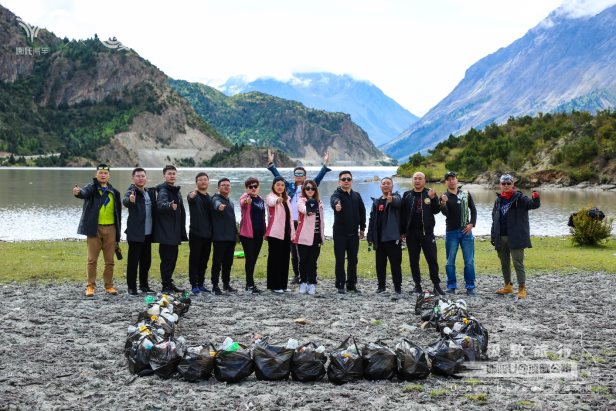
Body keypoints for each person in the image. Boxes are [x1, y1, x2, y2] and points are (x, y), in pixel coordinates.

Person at [267, 149, 331, 284]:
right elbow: (278, 178)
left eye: (301, 174)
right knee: (294, 252)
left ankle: (310, 275)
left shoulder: (308, 188)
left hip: (305, 222)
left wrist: (325, 165)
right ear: (294, 175)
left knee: (310, 250)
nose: (299, 176)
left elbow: (318, 179)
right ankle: (298, 275)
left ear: (305, 175)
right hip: (292, 222)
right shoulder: (288, 186)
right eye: (296, 174)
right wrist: (271, 164)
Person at [72, 163, 122, 297]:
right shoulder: (91, 188)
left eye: (105, 173)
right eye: (101, 173)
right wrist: (78, 193)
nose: (103, 175)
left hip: (111, 229)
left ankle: (109, 286)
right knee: (92, 260)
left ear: (109, 175)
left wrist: (118, 233)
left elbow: (118, 214)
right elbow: (83, 193)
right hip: (94, 229)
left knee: (110, 261)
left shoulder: (114, 192)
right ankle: (90, 287)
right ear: (96, 174)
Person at [491, 174, 540, 299]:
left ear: (512, 185)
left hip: (516, 237)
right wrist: (493, 236)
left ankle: (522, 288)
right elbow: (494, 219)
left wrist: (536, 198)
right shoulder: (498, 200)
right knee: (504, 263)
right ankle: (508, 286)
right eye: (504, 183)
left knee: (518, 263)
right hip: (500, 237)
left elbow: (533, 205)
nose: (506, 185)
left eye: (508, 183)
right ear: (500, 185)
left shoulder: (520, 198)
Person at [401, 171, 444, 295]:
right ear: (412, 180)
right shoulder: (407, 195)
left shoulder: (429, 193)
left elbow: (436, 211)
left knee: (432, 259)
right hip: (411, 233)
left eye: (420, 178)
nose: (417, 181)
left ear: (424, 181)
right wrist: (402, 231)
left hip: (427, 232)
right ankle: (417, 285)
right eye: (415, 178)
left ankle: (436, 286)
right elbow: (403, 215)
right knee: (413, 260)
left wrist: (434, 198)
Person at [439, 171, 478, 296]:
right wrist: (443, 203)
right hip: (451, 232)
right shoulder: (444, 196)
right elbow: (445, 213)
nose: (451, 181)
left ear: (457, 180)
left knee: (469, 261)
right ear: (446, 182)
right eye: (448, 179)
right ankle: (451, 286)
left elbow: (473, 209)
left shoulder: (465, 194)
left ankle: (470, 287)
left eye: (453, 178)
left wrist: (471, 224)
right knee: (450, 261)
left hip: (466, 232)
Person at [330, 170, 366, 294]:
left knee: (353, 260)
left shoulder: (357, 195)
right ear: (339, 181)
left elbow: (362, 212)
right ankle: (340, 284)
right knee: (340, 260)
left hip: (353, 234)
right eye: (343, 179)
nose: (346, 181)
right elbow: (333, 201)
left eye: (348, 179)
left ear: (351, 181)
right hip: (340, 234)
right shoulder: (336, 194)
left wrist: (362, 228)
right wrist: (336, 205)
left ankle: (351, 284)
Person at [123, 167, 157, 296]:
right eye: (138, 176)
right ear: (133, 178)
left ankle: (144, 285)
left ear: (146, 178)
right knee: (133, 262)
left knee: (146, 261)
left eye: (143, 176)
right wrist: (130, 201)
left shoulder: (149, 192)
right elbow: (125, 200)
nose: (141, 178)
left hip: (148, 234)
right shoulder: (132, 191)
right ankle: (131, 287)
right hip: (136, 233)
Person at [154, 165, 187, 294]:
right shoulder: (163, 190)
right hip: (166, 232)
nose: (172, 175)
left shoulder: (174, 190)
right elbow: (160, 206)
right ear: (164, 175)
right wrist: (169, 205)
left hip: (173, 231)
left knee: (172, 258)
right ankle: (165, 285)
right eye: (169, 173)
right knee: (167, 259)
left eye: (174, 173)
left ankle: (168, 283)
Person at [367, 177, 403, 294]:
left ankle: (397, 286)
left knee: (395, 264)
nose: (386, 185)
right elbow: (372, 219)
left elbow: (398, 203)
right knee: (380, 264)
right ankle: (381, 286)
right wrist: (370, 235)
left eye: (388, 183)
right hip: (379, 238)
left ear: (392, 186)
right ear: (380, 186)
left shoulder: (396, 197)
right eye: (383, 183)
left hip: (392, 238)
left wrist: (391, 200)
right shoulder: (376, 201)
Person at [293, 180, 324, 295]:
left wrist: (322, 236)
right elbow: (302, 209)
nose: (310, 190)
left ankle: (311, 283)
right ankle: (303, 282)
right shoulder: (301, 201)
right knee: (303, 261)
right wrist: (309, 210)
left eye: (312, 188)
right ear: (304, 190)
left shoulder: (320, 202)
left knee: (313, 261)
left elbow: (321, 221)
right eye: (308, 188)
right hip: (303, 236)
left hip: (316, 237)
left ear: (315, 190)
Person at [265, 176, 296, 293]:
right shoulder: (270, 197)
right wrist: (277, 200)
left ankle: (283, 284)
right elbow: (271, 202)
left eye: (282, 185)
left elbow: (290, 218)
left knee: (284, 259)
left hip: (286, 233)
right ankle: (274, 285)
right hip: (275, 233)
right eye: (277, 184)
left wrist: (293, 232)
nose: (280, 187)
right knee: (274, 259)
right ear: (273, 186)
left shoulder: (287, 199)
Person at [187, 172, 213, 296]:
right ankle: (194, 285)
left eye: (205, 180)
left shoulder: (209, 197)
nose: (203, 182)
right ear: (196, 182)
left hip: (208, 234)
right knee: (195, 260)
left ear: (208, 182)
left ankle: (201, 283)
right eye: (200, 180)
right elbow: (190, 198)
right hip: (196, 233)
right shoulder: (194, 195)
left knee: (204, 260)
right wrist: (191, 196)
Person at [211, 178, 238, 295]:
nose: (226, 187)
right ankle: (215, 285)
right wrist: (219, 207)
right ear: (218, 188)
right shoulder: (216, 199)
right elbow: (216, 204)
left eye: (228, 185)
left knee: (228, 263)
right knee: (217, 263)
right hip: (219, 238)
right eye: (223, 185)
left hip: (230, 237)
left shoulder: (230, 201)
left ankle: (226, 284)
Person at [239, 177, 266, 294]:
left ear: (258, 187)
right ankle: (250, 284)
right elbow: (242, 203)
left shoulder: (260, 199)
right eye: (251, 187)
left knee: (253, 259)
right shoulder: (245, 197)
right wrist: (246, 202)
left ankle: (249, 283)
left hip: (259, 233)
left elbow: (263, 216)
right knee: (249, 258)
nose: (253, 188)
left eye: (255, 186)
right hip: (248, 234)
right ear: (247, 188)